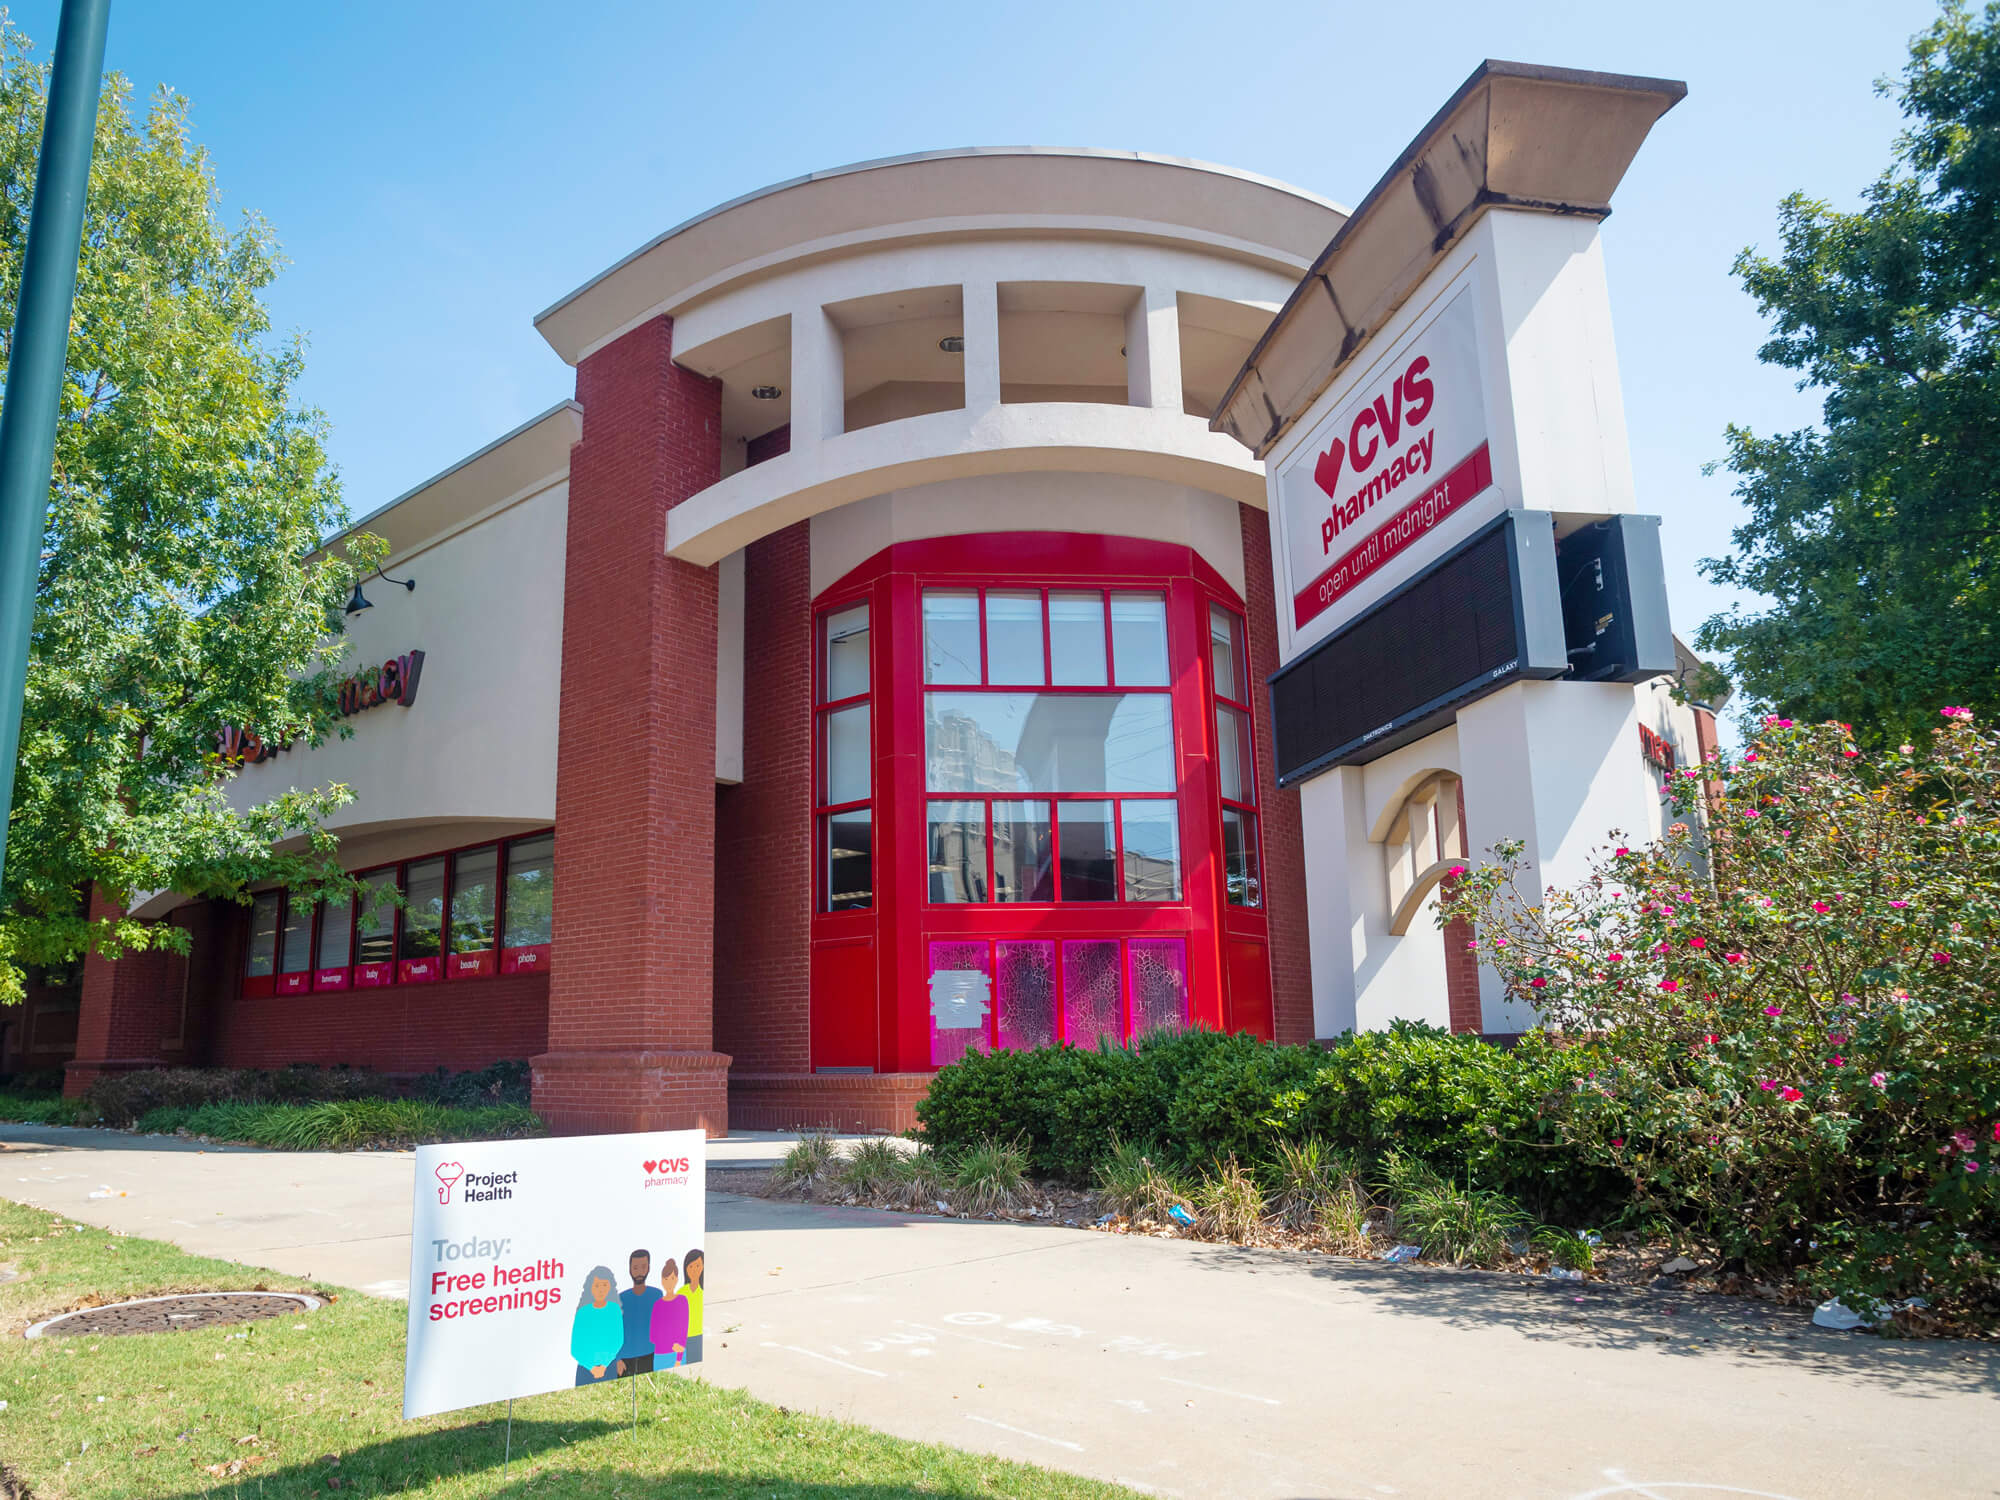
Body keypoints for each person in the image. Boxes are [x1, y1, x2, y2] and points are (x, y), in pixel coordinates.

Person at [569, 1264, 624, 1384]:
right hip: (585, 1370)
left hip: (608, 1368)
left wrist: (604, 1365)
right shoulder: (582, 1313)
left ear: (610, 1286)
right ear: (590, 1287)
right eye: (597, 1285)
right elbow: (575, 1347)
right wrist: (591, 1367)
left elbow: (618, 1340)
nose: (601, 1289)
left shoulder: (614, 1310)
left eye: (605, 1285)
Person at [617, 1248, 663, 1375]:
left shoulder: (656, 1295)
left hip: (650, 1354)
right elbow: (617, 1330)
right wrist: (618, 1359)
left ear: (648, 1268)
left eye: (643, 1267)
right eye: (635, 1268)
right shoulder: (621, 1298)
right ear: (630, 1269)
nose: (639, 1272)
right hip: (626, 1358)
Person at [647, 1257, 689, 1368]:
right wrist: (671, 1344)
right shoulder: (657, 1305)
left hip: (677, 1355)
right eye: (666, 1279)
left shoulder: (682, 1301)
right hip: (660, 1355)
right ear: (662, 1280)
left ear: (676, 1279)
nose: (669, 1283)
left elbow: (683, 1331)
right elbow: (653, 1336)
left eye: (672, 1278)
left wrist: (679, 1358)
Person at [677, 1248, 705, 1364]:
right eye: (691, 1266)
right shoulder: (681, 1293)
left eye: (697, 1266)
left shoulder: (702, 1292)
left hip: (698, 1336)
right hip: (684, 1339)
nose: (694, 1270)